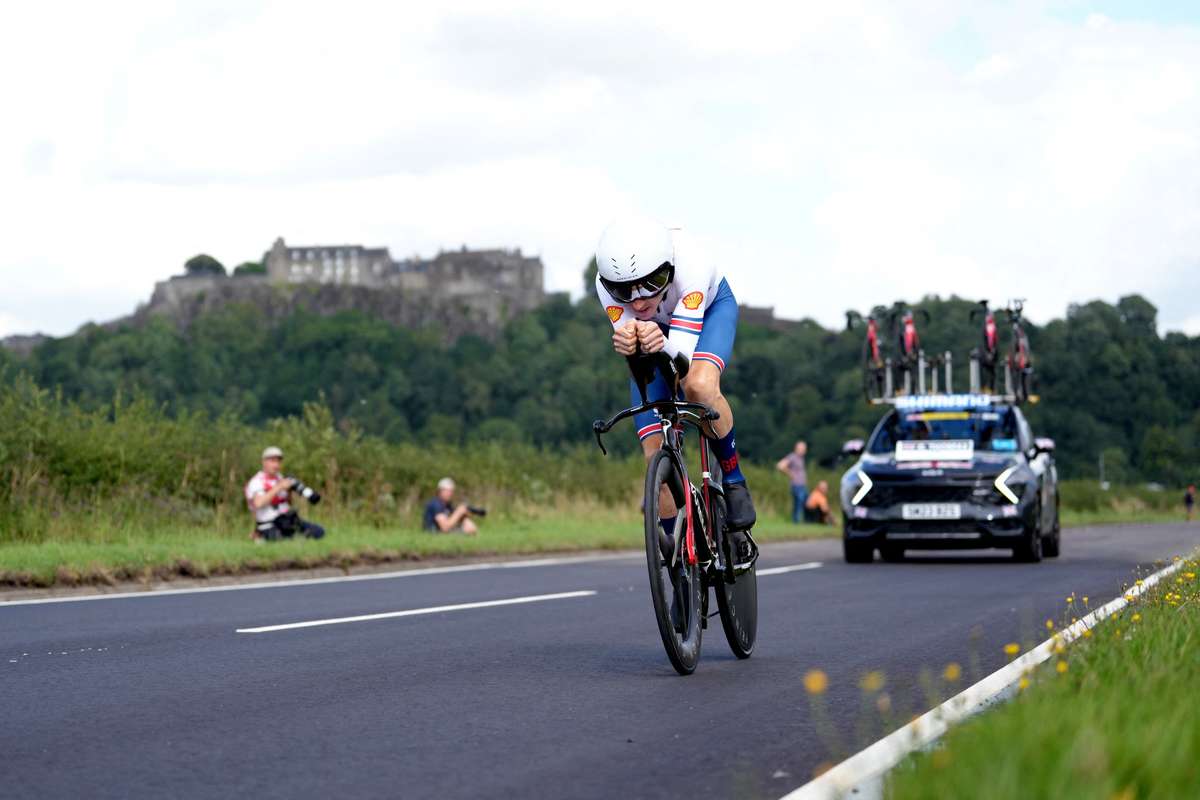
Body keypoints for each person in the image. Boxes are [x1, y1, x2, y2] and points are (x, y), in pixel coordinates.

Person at [594, 215, 755, 566]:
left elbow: (680, 361)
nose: (637, 302)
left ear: (668, 268)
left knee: (697, 386)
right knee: (655, 454)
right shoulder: (606, 285)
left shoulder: (692, 266)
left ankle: (733, 478)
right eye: (625, 291)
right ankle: (678, 554)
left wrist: (659, 342)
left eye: (652, 283)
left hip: (707, 314)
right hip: (661, 335)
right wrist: (632, 347)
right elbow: (642, 365)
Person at [244, 446, 325, 541]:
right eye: (272, 461)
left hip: (286, 521)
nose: (276, 465)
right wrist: (278, 487)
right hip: (268, 524)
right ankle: (259, 535)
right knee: (287, 541)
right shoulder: (257, 481)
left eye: (278, 461)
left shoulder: (280, 478)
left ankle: (263, 537)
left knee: (319, 532)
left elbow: (287, 503)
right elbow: (258, 503)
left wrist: (289, 491)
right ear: (264, 462)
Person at [776, 440, 809, 524]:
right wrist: (790, 474)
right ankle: (796, 522)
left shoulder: (801, 458)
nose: (804, 450)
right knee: (798, 505)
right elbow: (780, 466)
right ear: (797, 448)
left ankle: (801, 521)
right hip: (797, 485)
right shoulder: (792, 456)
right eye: (802, 449)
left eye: (804, 449)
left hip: (802, 485)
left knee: (802, 504)